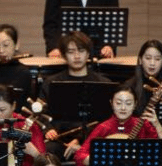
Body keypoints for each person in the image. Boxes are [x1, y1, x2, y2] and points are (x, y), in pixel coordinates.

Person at [37, 31, 112, 159]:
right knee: (47, 152)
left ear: (88, 53)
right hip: (59, 139)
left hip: (91, 139)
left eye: (81, 51)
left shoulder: (104, 83)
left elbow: (105, 120)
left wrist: (79, 140)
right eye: (71, 52)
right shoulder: (51, 83)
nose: (77, 56)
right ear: (64, 55)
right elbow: (41, 112)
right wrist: (48, 129)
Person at [123, 39, 162, 113]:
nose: (152, 63)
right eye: (148, 58)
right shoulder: (130, 86)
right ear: (140, 60)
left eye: (157, 59)